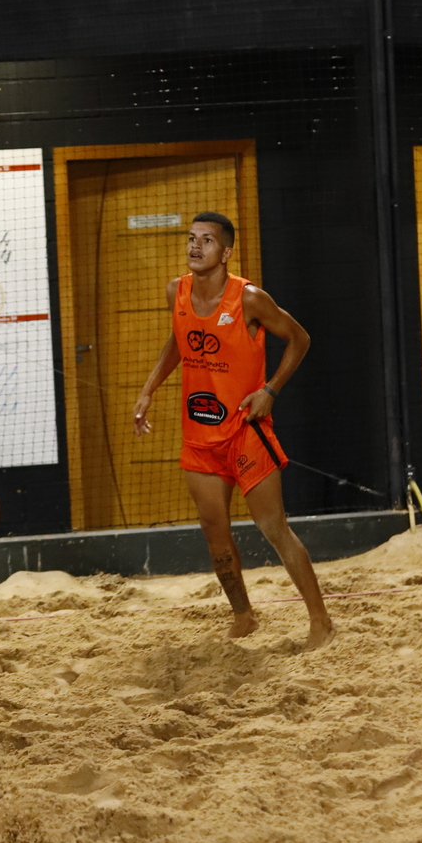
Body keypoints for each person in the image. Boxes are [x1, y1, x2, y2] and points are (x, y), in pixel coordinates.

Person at [132, 212, 333, 650]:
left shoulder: (249, 298)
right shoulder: (175, 291)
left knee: (273, 528)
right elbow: (179, 339)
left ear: (225, 252)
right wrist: (148, 389)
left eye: (206, 240)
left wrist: (270, 390)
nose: (195, 245)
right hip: (199, 437)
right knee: (215, 534)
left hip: (245, 431)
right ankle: (244, 615)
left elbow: (299, 338)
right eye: (191, 238)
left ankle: (321, 621)